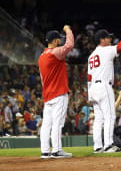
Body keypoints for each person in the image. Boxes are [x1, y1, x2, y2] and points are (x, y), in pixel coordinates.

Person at [88, 22, 121, 153]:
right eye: (108, 37)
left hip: (93, 88)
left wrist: (90, 94)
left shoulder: (91, 56)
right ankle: (108, 145)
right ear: (101, 39)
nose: (110, 39)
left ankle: (97, 146)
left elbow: (89, 77)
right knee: (110, 116)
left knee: (98, 119)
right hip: (104, 86)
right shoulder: (106, 50)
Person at [38, 25, 74, 159]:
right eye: (59, 39)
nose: (60, 41)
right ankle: (57, 150)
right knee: (57, 123)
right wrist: (68, 30)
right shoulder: (55, 53)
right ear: (54, 41)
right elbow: (70, 45)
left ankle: (45, 151)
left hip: (48, 95)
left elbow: (42, 79)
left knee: (46, 123)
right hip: (59, 93)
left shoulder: (41, 57)